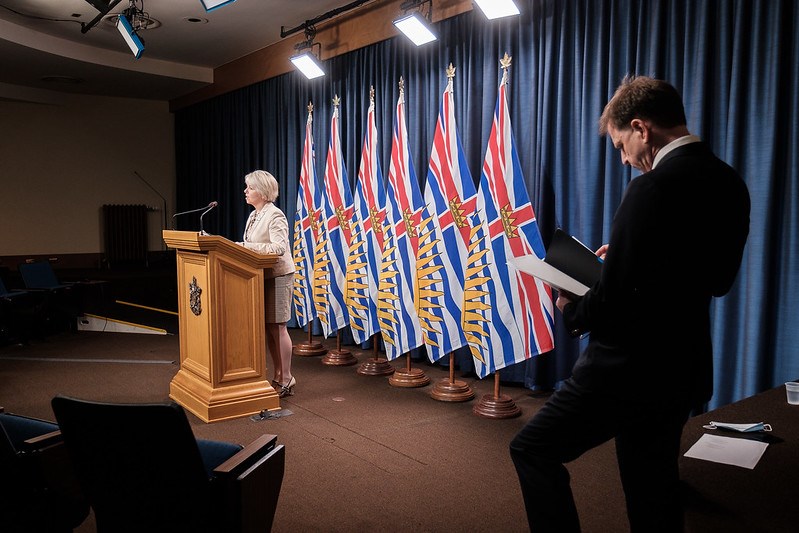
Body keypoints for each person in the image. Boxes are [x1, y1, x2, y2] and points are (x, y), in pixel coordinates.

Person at [509, 76, 750, 532]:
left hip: (623, 373)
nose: (624, 159)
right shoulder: (729, 182)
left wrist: (569, 304)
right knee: (652, 485)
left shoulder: (651, 189)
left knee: (531, 449)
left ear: (641, 127)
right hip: (682, 371)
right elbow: (715, 281)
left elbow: (614, 305)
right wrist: (623, 261)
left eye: (621, 145)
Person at [237, 170, 297, 397]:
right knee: (269, 327)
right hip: (261, 275)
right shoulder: (254, 215)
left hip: (279, 276)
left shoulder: (275, 215)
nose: (246, 191)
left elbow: (278, 248)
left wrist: (244, 247)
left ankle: (287, 377)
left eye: (250, 188)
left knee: (278, 326)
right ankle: (278, 375)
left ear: (262, 191)